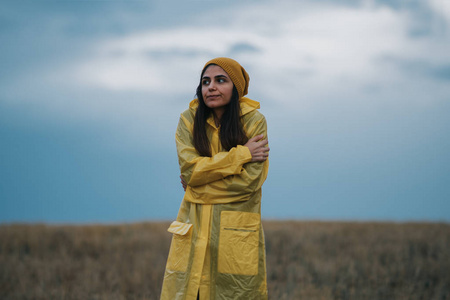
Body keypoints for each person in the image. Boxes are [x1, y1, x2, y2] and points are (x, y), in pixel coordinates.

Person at [160, 57, 270, 300]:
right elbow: (190, 171)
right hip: (193, 232)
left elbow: (248, 183)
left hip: (234, 238)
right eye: (205, 82)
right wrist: (242, 154)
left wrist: (195, 190)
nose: (211, 87)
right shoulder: (188, 120)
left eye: (221, 80)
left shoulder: (254, 121)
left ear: (236, 87)